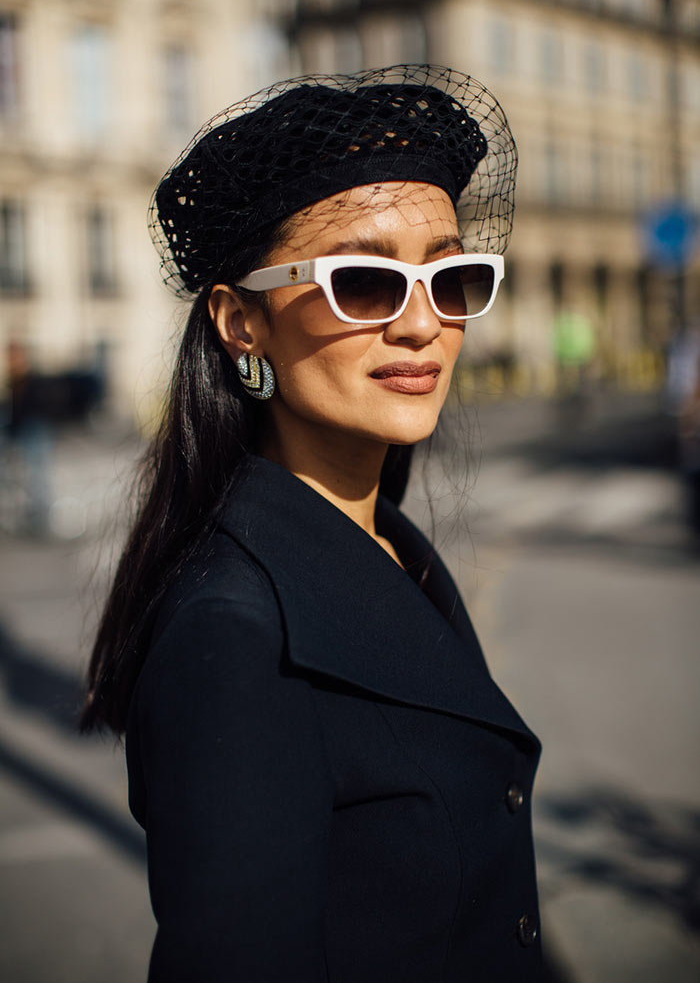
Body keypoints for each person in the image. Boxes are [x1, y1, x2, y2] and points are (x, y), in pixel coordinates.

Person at [81, 65, 543, 982]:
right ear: (240, 322)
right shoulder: (233, 635)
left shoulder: (394, 549)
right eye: (364, 284)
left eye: (451, 277)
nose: (423, 325)